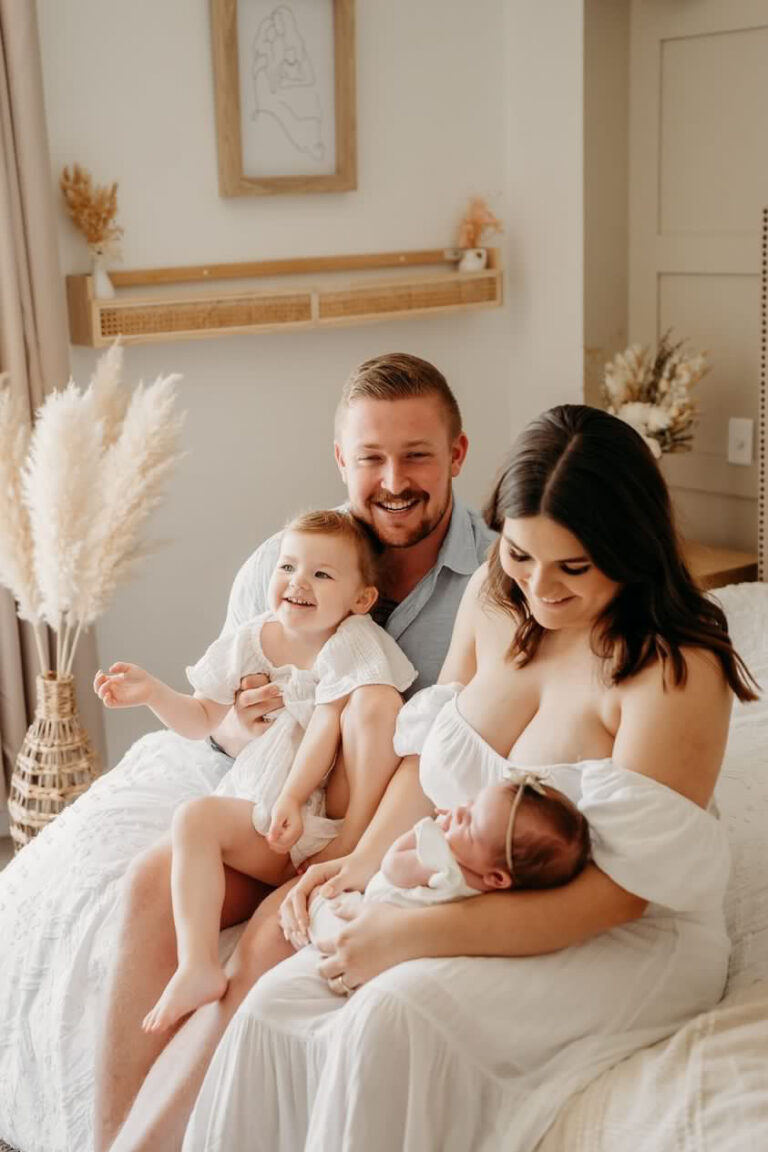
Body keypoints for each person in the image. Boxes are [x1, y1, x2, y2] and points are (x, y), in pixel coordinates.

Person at [166, 403, 757, 1152]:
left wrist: (409, 935)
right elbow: (433, 759)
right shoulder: (492, 597)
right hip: (469, 881)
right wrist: (361, 860)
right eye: (521, 555)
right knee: (277, 1005)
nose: (541, 590)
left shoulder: (670, 668)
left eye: (573, 567)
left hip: (618, 927)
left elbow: (617, 895)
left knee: (392, 1017)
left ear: (630, 549)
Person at [86, 352, 495, 1151]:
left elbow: (449, 743)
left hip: (381, 819)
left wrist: (353, 851)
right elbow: (225, 729)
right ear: (342, 459)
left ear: (457, 454)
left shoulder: (491, 579)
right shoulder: (283, 568)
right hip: (284, 805)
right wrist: (245, 717)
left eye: (416, 454)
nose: (393, 479)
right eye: (370, 457)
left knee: (277, 933)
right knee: (151, 882)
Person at [93, 510, 416, 1034]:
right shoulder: (250, 638)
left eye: (322, 575)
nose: (298, 583)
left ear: (360, 600)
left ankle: (342, 856)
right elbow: (201, 720)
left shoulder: (352, 641)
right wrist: (152, 693)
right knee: (194, 819)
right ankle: (198, 966)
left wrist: (291, 798)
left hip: (322, 809)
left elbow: (326, 727)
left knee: (371, 705)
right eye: (288, 566)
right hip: (272, 819)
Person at [309, 777, 591, 974]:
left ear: (497, 877)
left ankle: (355, 910)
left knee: (319, 910)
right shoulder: (485, 888)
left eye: (469, 824)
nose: (458, 812)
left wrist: (428, 828)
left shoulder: (446, 867)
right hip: (405, 941)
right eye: (471, 804)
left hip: (377, 919)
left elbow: (393, 866)